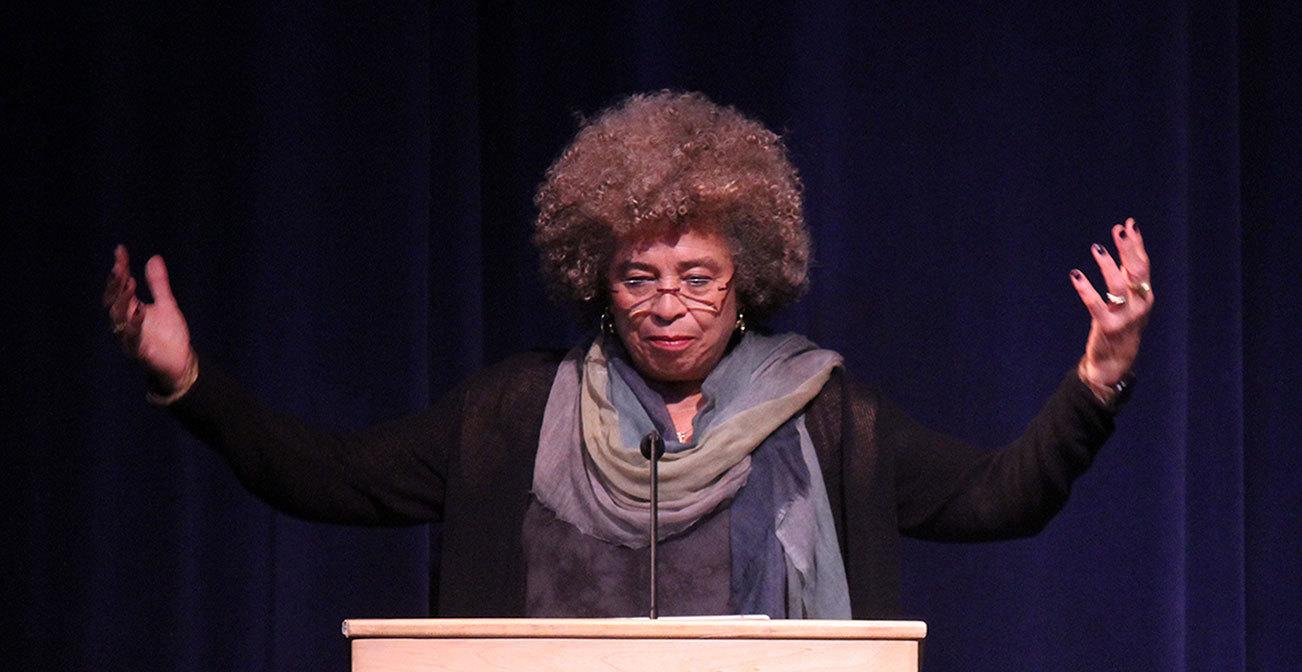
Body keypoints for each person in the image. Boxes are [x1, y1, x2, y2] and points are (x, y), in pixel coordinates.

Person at [102, 91, 1153, 620]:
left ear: (747, 276)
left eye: (696, 276)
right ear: (593, 281)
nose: (667, 306)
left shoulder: (825, 416)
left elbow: (996, 497)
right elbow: (328, 476)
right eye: (637, 278)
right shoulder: (512, 415)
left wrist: (1096, 378)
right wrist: (188, 385)